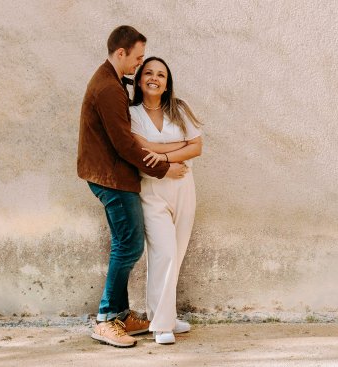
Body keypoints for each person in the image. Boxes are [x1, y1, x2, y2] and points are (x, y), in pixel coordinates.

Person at [77, 26, 187, 348]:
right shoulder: (108, 88)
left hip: (112, 176)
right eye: (138, 59)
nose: (140, 65)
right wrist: (164, 168)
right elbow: (125, 145)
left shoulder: (110, 81)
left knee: (125, 243)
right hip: (111, 179)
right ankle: (106, 318)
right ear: (120, 52)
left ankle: (121, 315)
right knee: (129, 245)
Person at [129, 56, 203, 344]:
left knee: (178, 252)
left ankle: (165, 315)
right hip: (152, 189)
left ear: (167, 82)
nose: (154, 78)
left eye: (161, 75)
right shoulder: (132, 113)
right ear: (139, 80)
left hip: (184, 185)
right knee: (164, 253)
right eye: (148, 72)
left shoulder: (179, 109)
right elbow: (140, 148)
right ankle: (161, 326)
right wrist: (176, 148)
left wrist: (163, 155)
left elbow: (197, 146)